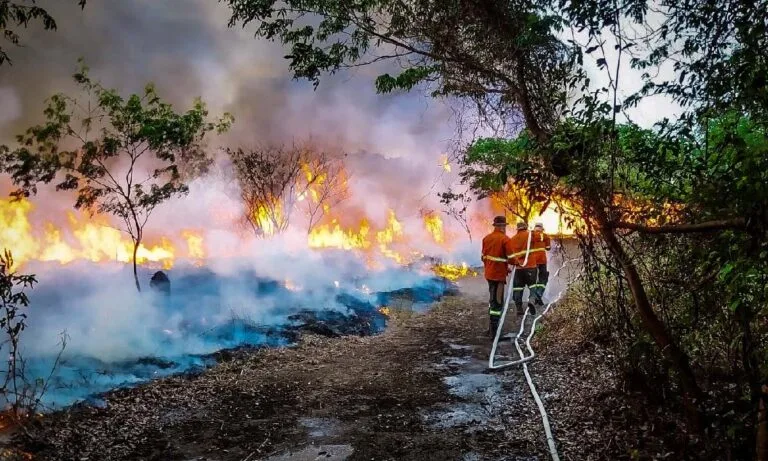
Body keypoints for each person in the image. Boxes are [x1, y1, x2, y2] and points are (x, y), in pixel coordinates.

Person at [481, 216, 515, 336]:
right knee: (498, 302)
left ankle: (491, 329)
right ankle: (494, 332)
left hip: (489, 274)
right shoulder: (505, 239)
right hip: (499, 276)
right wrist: (518, 263)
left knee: (492, 300)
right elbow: (511, 258)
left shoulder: (486, 238)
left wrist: (503, 267)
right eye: (504, 226)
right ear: (501, 227)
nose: (504, 228)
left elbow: (483, 257)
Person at [508, 221, 542, 315]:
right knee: (532, 286)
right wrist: (536, 230)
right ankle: (531, 300)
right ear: (525, 227)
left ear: (517, 229)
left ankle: (519, 308)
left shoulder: (512, 239)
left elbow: (510, 255)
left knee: (518, 288)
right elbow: (540, 238)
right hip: (530, 266)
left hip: (518, 268)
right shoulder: (530, 235)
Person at [530, 222, 551, 308]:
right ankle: (539, 293)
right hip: (542, 260)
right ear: (542, 229)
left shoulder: (530, 236)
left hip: (533, 261)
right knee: (543, 278)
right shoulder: (545, 236)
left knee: (533, 280)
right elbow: (548, 248)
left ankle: (534, 297)